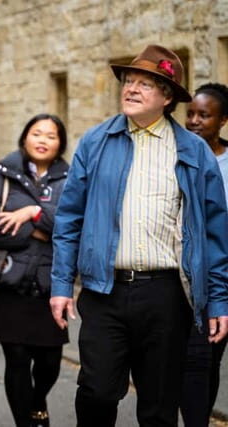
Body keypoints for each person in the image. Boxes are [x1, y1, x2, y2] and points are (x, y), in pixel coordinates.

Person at [50, 45, 228, 426]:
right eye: (129, 81)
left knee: (159, 405)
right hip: (104, 291)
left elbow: (215, 234)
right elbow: (69, 219)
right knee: (96, 392)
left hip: (167, 295)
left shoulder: (194, 151)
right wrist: (61, 283)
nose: (131, 88)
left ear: (167, 98)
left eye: (145, 84)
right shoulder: (96, 142)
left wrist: (218, 300)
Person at [0, 114, 69, 426]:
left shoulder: (72, 179)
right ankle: (26, 422)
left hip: (51, 285)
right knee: (16, 359)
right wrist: (37, 231)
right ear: (24, 138)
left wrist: (32, 213)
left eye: (50, 136)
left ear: (60, 144)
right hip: (8, 282)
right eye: (36, 133)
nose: (42, 140)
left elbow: (75, 223)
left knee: (50, 360)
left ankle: (38, 401)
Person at [180, 82, 228, 426]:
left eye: (204, 115)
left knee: (212, 358)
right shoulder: (177, 155)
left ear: (223, 120)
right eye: (191, 114)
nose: (195, 121)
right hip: (192, 271)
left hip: (225, 270)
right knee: (195, 356)